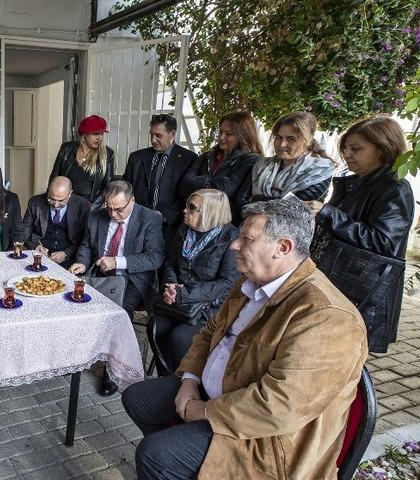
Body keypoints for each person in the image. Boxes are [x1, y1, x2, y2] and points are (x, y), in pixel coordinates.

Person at [122, 199, 367, 479]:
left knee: (155, 455)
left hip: (267, 440)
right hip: (223, 395)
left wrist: (203, 411)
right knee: (137, 399)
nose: (234, 245)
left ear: (283, 248)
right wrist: (190, 381)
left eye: (246, 239)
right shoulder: (251, 279)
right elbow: (210, 332)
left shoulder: (328, 317)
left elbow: (278, 408)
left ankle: (175, 464)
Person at [307, 115, 415, 353]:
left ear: (383, 149)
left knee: (338, 356)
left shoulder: (394, 188)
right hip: (333, 282)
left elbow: (383, 242)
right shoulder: (356, 183)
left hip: (358, 290)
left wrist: (329, 213)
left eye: (356, 149)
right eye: (345, 149)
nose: (348, 155)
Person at [70, 180, 164, 396]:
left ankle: (112, 372)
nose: (113, 214)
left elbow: (155, 257)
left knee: (117, 311)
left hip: (131, 279)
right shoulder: (97, 215)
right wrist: (82, 263)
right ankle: (77, 359)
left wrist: (118, 261)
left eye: (119, 209)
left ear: (132, 200)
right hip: (99, 275)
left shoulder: (149, 219)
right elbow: (86, 245)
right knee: (71, 301)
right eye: (109, 207)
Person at [150, 189, 239, 376]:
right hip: (177, 299)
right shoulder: (184, 229)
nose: (184, 211)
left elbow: (226, 283)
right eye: (187, 205)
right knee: (155, 327)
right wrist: (172, 286)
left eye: (192, 208)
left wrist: (184, 293)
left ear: (211, 213)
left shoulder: (230, 238)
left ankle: (184, 382)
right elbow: (169, 263)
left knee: (179, 338)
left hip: (208, 306)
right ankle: (165, 379)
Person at [180, 111, 263, 224]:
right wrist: (214, 184)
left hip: (222, 225)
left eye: (228, 134)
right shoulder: (207, 156)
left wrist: (198, 181)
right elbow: (184, 185)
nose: (221, 137)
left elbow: (226, 189)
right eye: (220, 132)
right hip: (193, 220)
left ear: (243, 136)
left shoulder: (251, 160)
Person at [122, 114, 198, 237]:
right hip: (137, 222)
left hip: (170, 226)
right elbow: (125, 187)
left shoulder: (189, 159)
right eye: (151, 134)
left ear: (172, 134)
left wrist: (166, 216)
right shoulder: (136, 157)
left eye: (158, 135)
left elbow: (187, 195)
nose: (153, 140)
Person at [250, 111, 333, 202]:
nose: (282, 144)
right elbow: (241, 200)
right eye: (278, 137)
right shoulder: (261, 165)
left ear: (308, 141)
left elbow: (295, 206)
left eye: (291, 139)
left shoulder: (319, 170)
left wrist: (255, 199)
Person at [21, 176, 91, 269]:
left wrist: (66, 254)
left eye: (61, 200)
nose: (55, 204)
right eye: (51, 198)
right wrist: (35, 246)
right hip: (39, 256)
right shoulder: (35, 202)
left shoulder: (83, 206)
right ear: (47, 191)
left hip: (71, 258)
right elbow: (25, 231)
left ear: (70, 194)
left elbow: (86, 240)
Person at [49, 115, 115, 204]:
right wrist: (52, 200)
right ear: (85, 133)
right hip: (65, 202)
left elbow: (108, 186)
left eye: (102, 134)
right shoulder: (66, 149)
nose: (99, 138)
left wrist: (92, 208)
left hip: (90, 204)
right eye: (95, 133)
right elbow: (55, 176)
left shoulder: (107, 154)